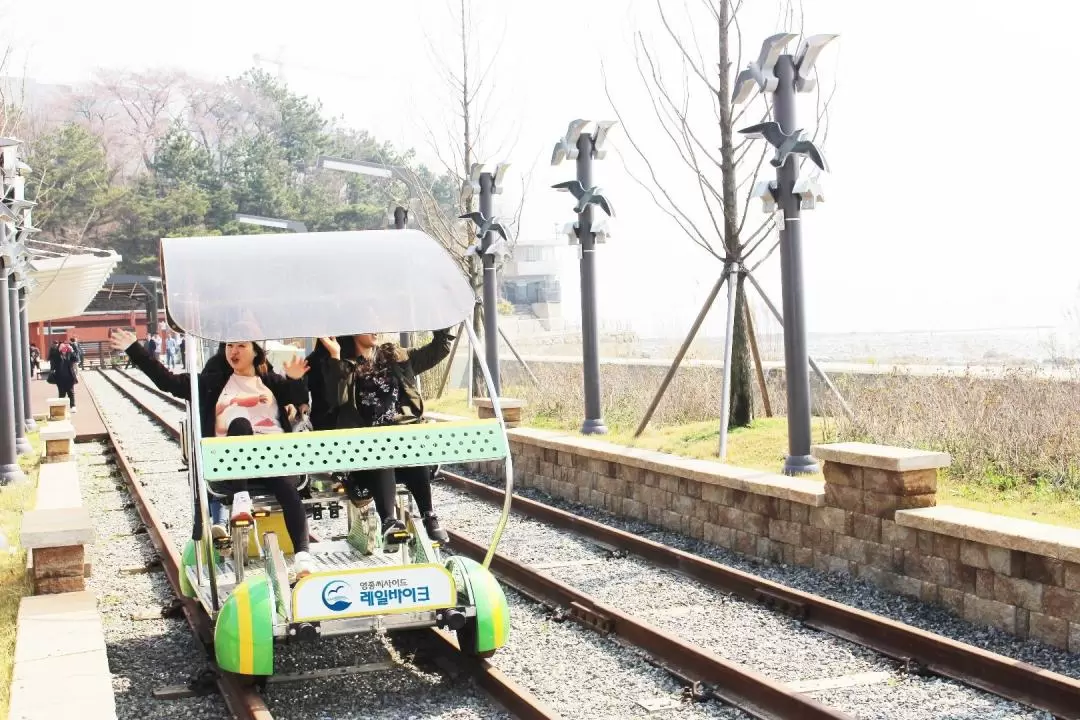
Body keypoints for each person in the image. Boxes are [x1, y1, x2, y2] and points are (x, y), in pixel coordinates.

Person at [111, 329, 316, 578]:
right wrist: (135, 349)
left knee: (287, 488)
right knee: (240, 423)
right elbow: (168, 382)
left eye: (241, 345)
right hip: (230, 464)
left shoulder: (271, 381)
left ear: (255, 351)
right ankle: (241, 500)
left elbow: (299, 400)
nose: (234, 351)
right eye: (230, 346)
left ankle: (303, 557)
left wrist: (295, 380)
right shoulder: (213, 382)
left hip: (271, 456)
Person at [308, 329, 454, 547]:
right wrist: (336, 357)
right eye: (368, 325)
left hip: (400, 443)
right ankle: (389, 521)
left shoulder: (394, 356)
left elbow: (434, 352)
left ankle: (428, 515)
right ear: (353, 331)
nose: (376, 330)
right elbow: (336, 399)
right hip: (363, 454)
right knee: (382, 447)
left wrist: (443, 328)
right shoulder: (346, 364)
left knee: (412, 449)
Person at [48, 341, 79, 412]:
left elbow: (76, 359)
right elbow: (52, 359)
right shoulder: (57, 355)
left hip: (69, 377)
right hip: (60, 377)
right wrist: (58, 351)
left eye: (65, 347)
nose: (64, 349)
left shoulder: (69, 354)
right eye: (62, 347)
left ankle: (73, 406)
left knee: (71, 392)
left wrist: (72, 350)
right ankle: (61, 408)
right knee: (61, 393)